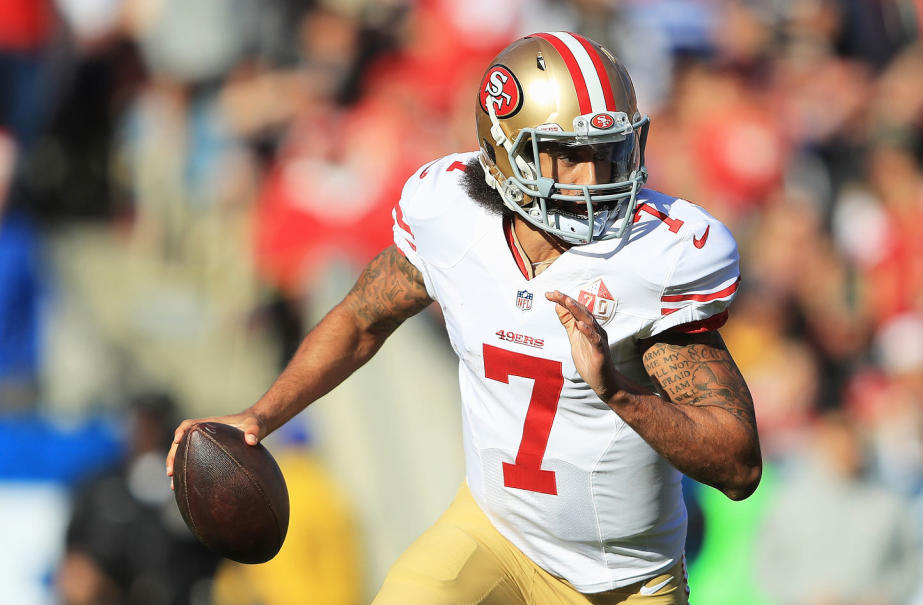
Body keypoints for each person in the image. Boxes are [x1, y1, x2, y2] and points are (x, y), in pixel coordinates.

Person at [167, 32, 762, 604]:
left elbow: (738, 466)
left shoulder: (654, 257)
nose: (595, 180)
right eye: (569, 156)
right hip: (493, 536)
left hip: (625, 581)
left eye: (609, 154)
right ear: (507, 151)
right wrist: (260, 415)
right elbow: (361, 319)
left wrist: (620, 393)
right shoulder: (450, 215)